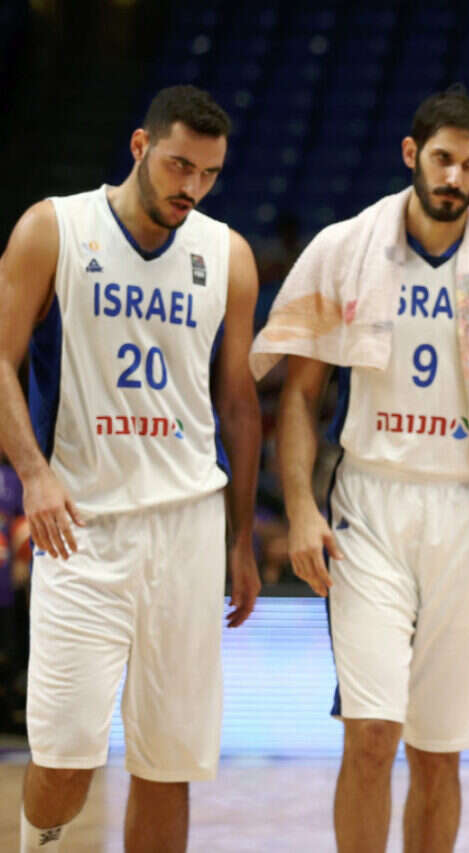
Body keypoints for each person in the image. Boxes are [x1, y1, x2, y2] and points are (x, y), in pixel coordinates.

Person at [250, 86, 469, 853]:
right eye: (442, 159)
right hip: (369, 504)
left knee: (439, 750)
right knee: (371, 732)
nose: (454, 177)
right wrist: (301, 509)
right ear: (412, 154)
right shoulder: (346, 247)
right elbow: (300, 395)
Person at [0, 85, 262, 852]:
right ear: (141, 147)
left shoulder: (228, 255)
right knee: (64, 758)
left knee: (166, 764)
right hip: (82, 525)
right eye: (180, 165)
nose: (192, 186)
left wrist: (241, 538)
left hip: (188, 526)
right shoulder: (54, 228)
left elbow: (239, 403)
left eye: (209, 173)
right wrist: (34, 474)